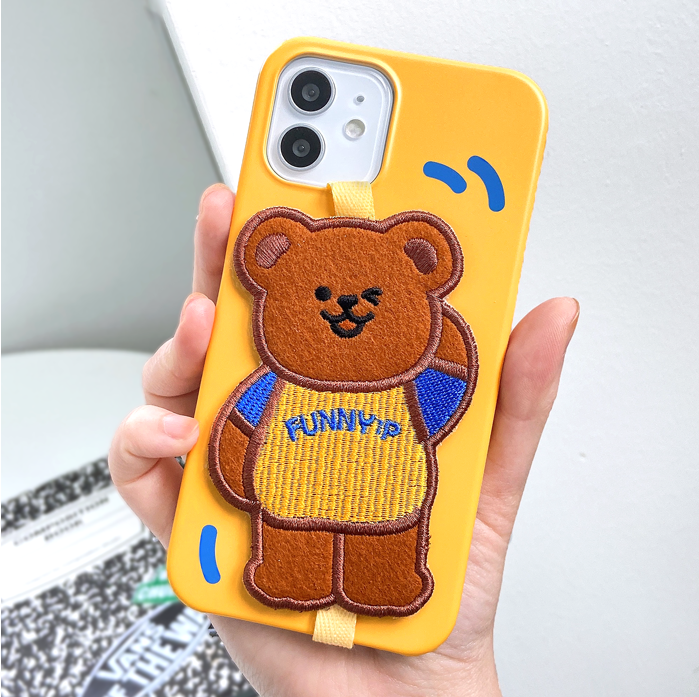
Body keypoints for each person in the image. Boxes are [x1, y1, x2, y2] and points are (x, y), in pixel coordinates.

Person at [109, 183, 579, 697]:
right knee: (291, 563)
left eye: (374, 297)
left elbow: (447, 385)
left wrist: (442, 327)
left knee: (385, 567)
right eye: (322, 296)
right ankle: (290, 573)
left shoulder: (408, 390)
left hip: (387, 506)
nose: (349, 307)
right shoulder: (277, 387)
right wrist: (230, 467)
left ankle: (387, 578)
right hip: (290, 505)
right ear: (271, 265)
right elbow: (243, 424)